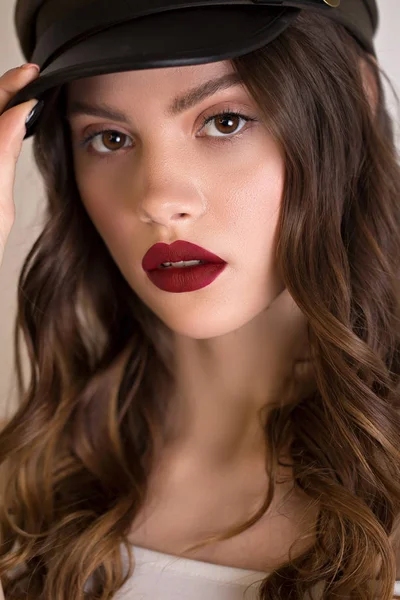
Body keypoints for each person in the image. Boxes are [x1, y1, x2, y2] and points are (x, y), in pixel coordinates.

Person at [0, 0, 399, 598]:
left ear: (357, 95)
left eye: (225, 121)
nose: (159, 198)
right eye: (109, 137)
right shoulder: (21, 480)